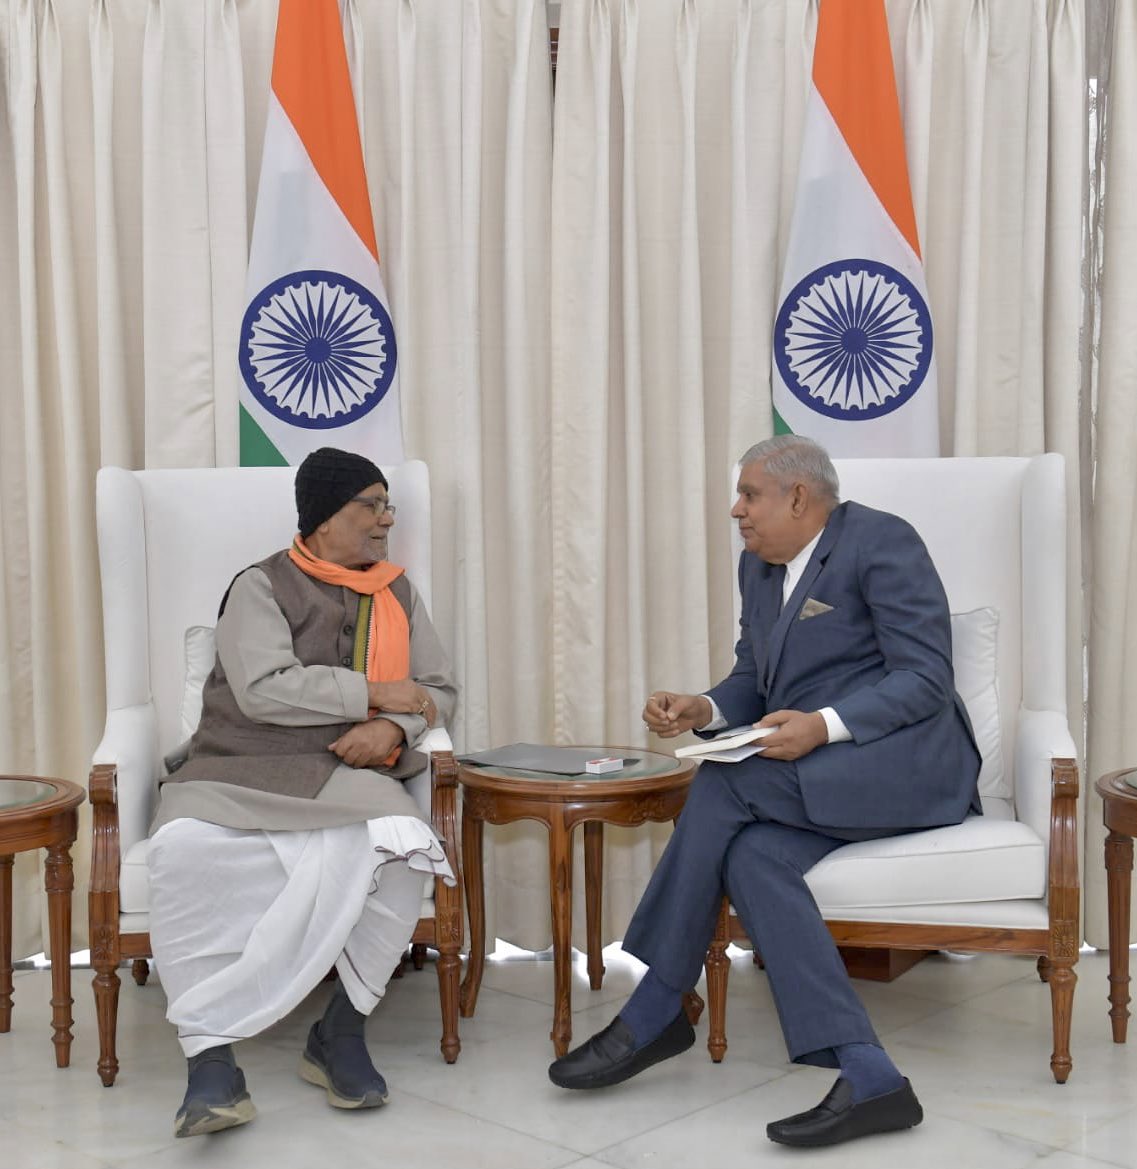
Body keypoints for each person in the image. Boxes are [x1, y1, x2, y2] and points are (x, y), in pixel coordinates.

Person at [548, 434, 981, 1149]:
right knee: (750, 858)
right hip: (819, 779)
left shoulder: (882, 542)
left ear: (799, 497)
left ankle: (658, 1003)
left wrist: (821, 725)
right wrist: (703, 707)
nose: (735, 510)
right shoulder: (759, 566)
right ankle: (869, 1073)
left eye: (748, 495)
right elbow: (755, 677)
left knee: (721, 784)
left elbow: (925, 678)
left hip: (907, 767)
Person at [147, 447, 457, 1138]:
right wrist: (374, 692)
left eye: (387, 506)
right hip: (236, 764)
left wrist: (393, 729)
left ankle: (340, 1031)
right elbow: (261, 689)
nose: (384, 521)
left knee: (406, 847)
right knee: (183, 855)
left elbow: (438, 689)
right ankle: (210, 1059)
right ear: (322, 517)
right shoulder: (258, 585)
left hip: (344, 769)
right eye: (368, 506)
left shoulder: (398, 592)